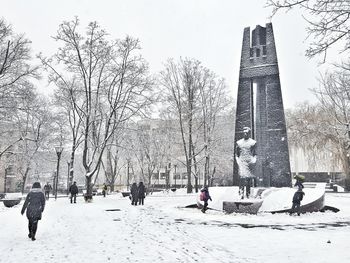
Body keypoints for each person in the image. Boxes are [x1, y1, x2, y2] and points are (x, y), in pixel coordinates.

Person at [235, 127, 257, 199]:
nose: (245, 134)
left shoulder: (253, 142)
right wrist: (238, 161)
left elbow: (255, 153)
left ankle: (248, 194)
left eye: (247, 132)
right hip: (242, 162)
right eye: (244, 132)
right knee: (242, 178)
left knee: (248, 179)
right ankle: (241, 193)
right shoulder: (239, 143)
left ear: (249, 133)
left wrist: (254, 160)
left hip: (249, 162)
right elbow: (236, 154)